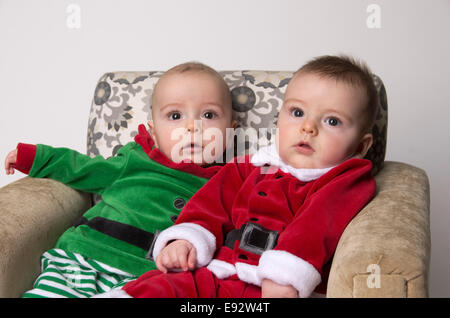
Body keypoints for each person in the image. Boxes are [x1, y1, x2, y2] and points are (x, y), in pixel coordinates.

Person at [101, 55, 379, 298]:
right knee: (159, 286)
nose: (307, 127)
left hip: (272, 286)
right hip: (218, 270)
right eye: (297, 112)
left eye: (332, 121)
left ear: (360, 145)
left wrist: (284, 275)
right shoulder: (248, 167)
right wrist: (185, 240)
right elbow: (209, 206)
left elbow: (318, 225)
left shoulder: (344, 179)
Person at [3, 62, 236, 298]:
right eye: (175, 115)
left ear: (231, 131)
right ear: (153, 133)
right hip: (84, 256)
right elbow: (82, 168)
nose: (192, 127)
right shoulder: (135, 159)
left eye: (209, 115)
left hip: (145, 281)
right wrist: (36, 157)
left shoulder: (230, 184)